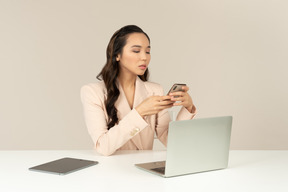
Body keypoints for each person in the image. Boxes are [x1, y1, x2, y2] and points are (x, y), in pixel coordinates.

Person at [80, 25, 196, 156]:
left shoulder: (155, 90)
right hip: (110, 170)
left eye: (147, 51)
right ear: (117, 55)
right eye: (136, 51)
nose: (144, 57)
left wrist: (188, 108)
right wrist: (140, 112)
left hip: (143, 168)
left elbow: (172, 141)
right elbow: (103, 147)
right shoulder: (92, 92)